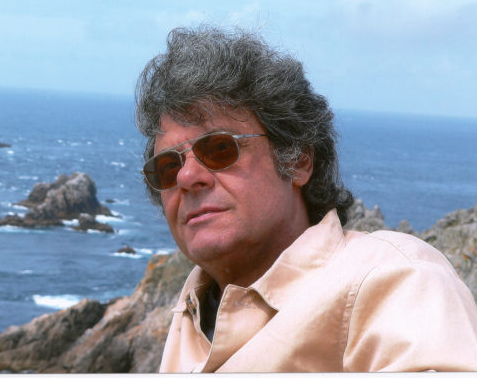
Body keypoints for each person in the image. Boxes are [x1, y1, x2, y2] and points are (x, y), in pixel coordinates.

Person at [135, 26, 477, 372]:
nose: (187, 177)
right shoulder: (191, 309)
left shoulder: (392, 281)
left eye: (220, 149)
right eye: (167, 167)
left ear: (298, 160)